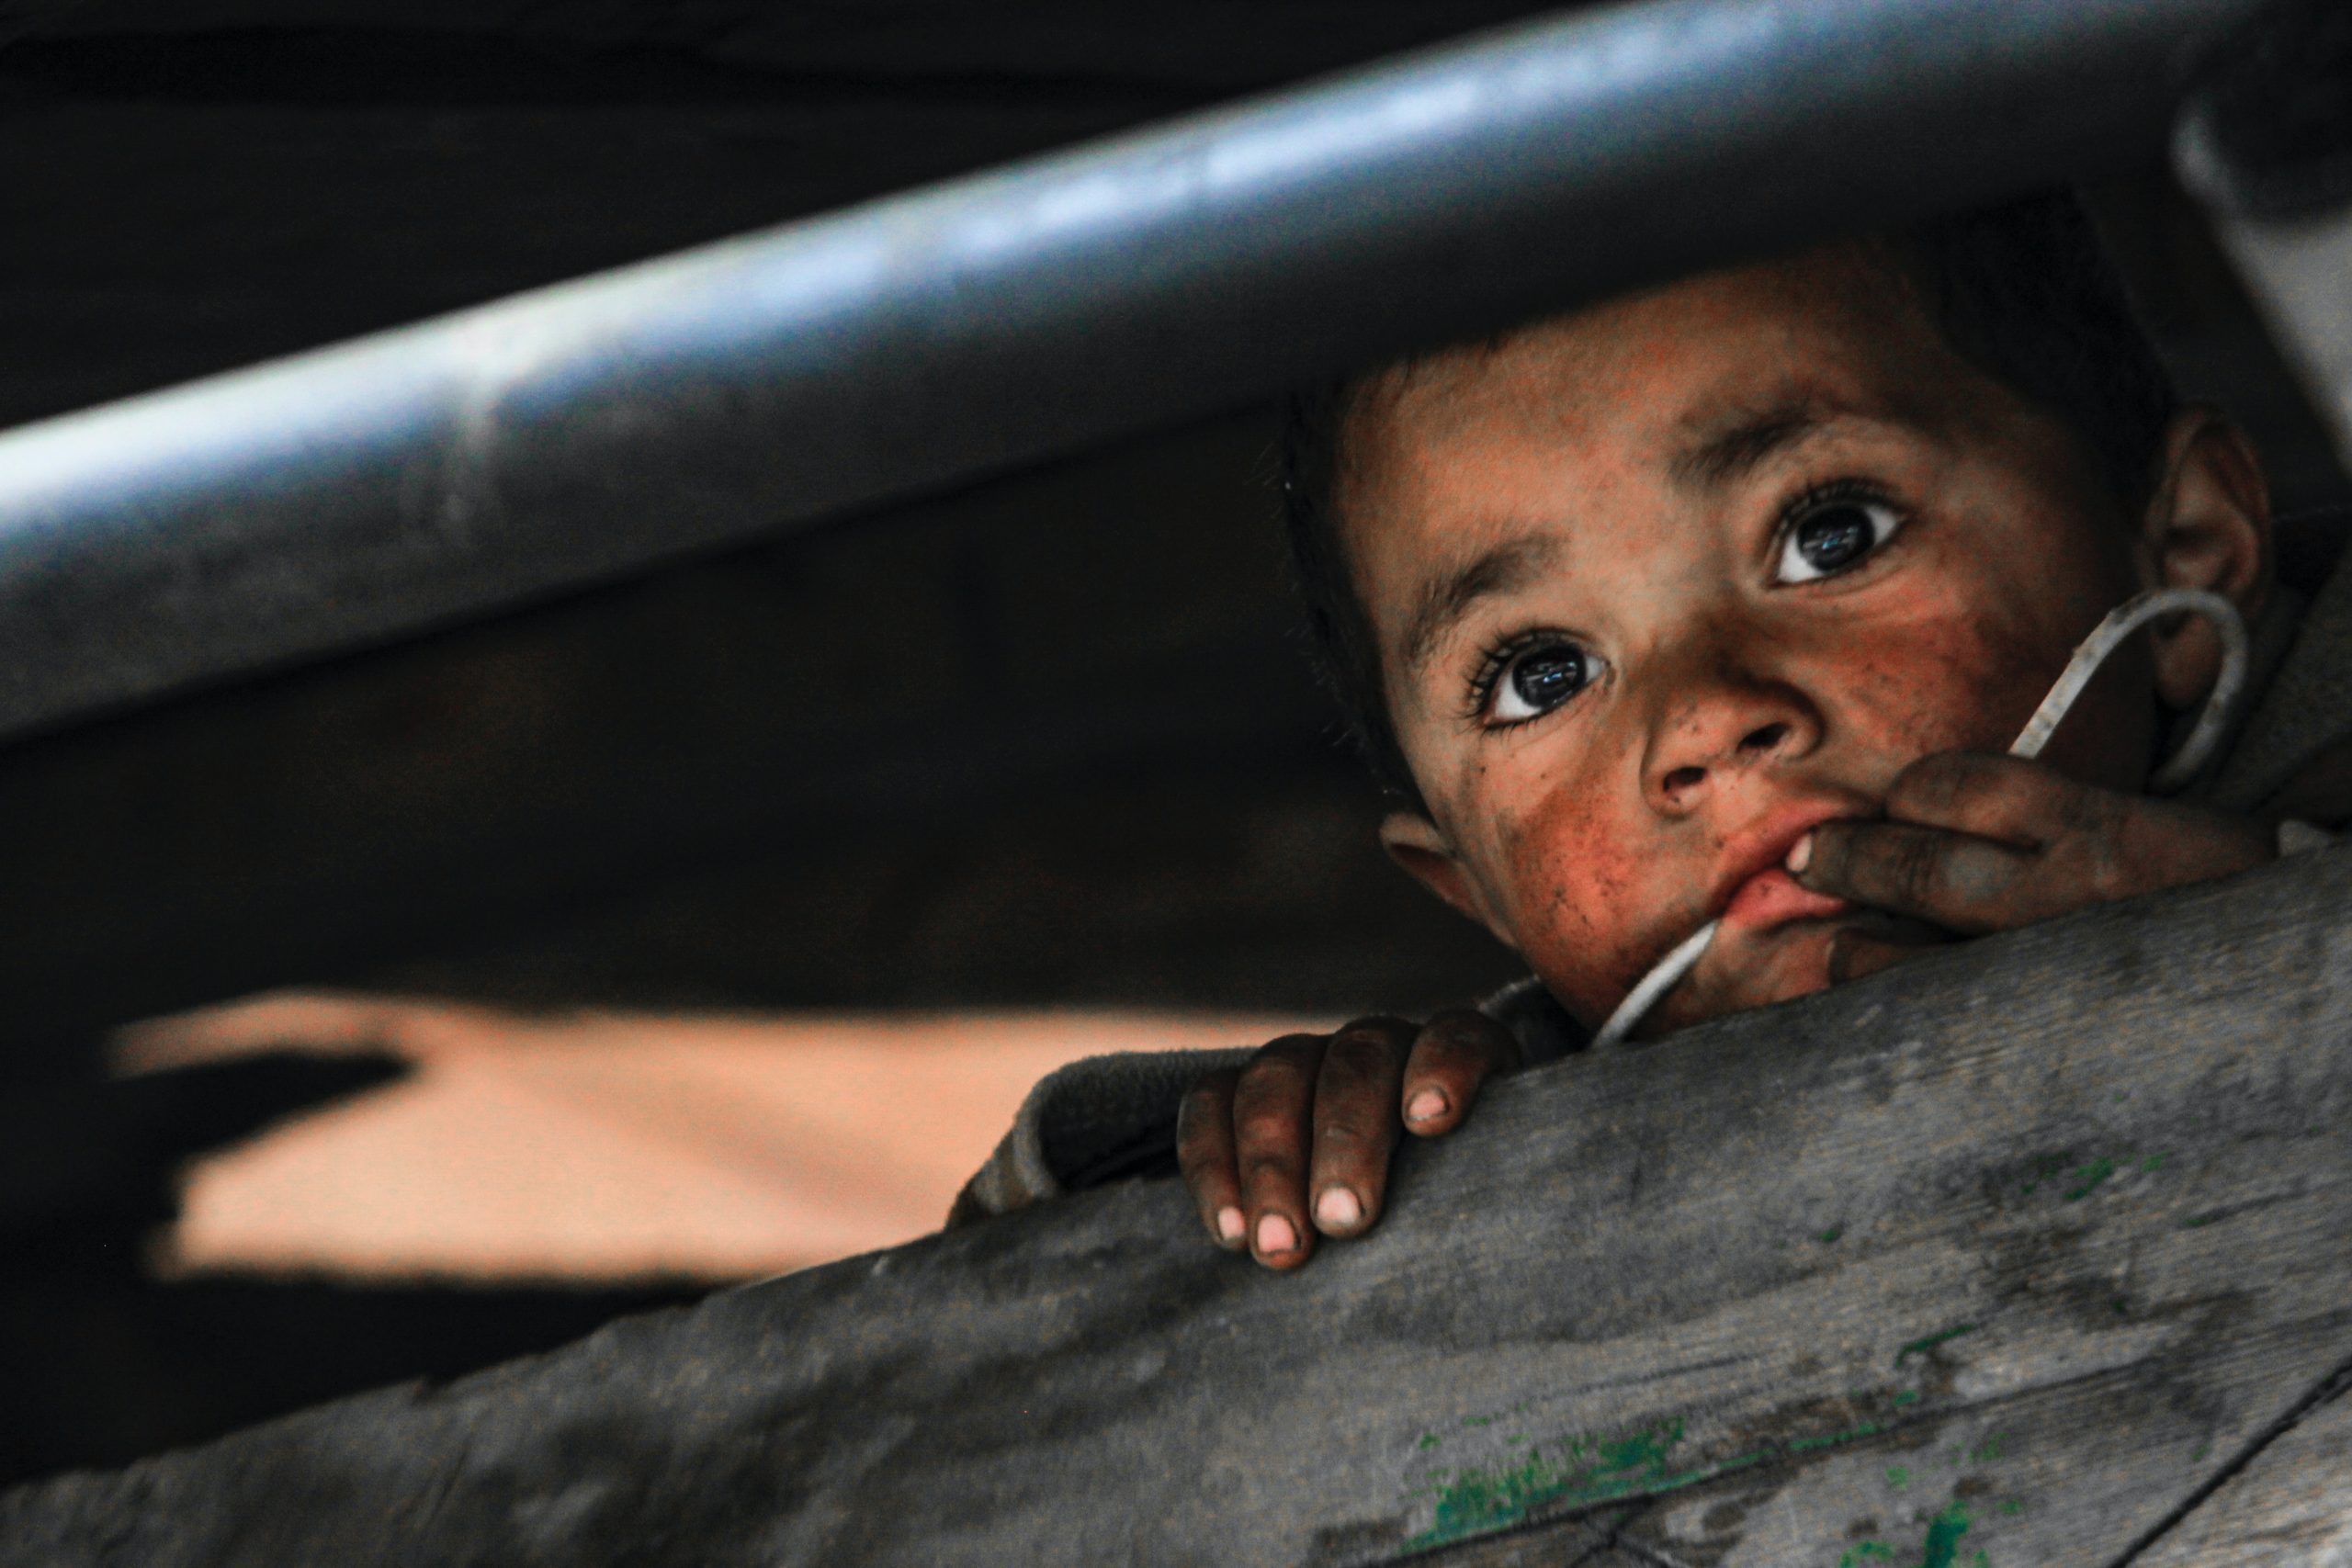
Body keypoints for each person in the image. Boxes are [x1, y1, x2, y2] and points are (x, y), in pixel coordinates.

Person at [949, 191, 2352, 1269]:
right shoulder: (1509, 1104)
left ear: (2183, 547)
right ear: (1469, 891)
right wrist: (1316, 1154)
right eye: (1541, 677)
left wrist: (2290, 951)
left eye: (1828, 532)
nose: (1704, 719)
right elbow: (955, 1351)